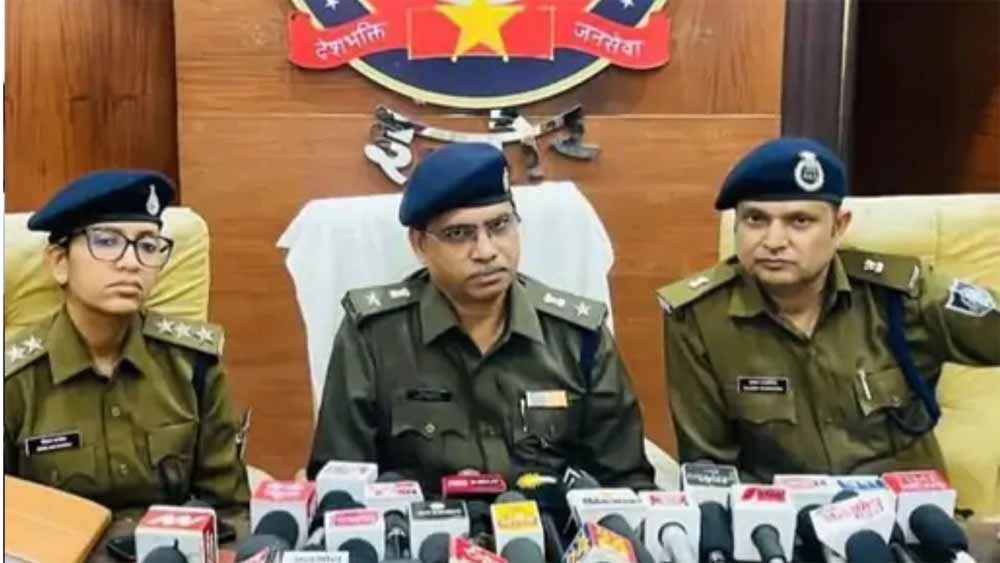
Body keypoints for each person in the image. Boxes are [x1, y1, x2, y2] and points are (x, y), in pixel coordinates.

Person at [307, 142, 654, 493]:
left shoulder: (580, 337)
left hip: (551, 526)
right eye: (459, 234)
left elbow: (625, 483)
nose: (486, 251)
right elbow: (341, 489)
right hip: (419, 526)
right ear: (420, 245)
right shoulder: (374, 337)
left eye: (499, 226)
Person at [658, 137, 1000, 482]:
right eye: (755, 219)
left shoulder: (900, 296)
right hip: (780, 511)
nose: (773, 242)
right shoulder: (699, 318)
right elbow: (711, 470)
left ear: (838, 227)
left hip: (907, 508)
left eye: (799, 221)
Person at [3, 169, 250, 514]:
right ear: (60, 263)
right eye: (107, 242)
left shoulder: (193, 365)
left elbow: (228, 508)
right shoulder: (14, 382)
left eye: (148, 246)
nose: (132, 263)